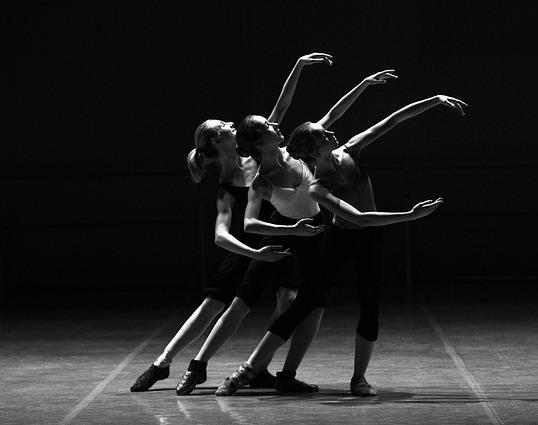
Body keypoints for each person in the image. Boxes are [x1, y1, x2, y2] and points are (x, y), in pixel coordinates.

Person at [216, 90, 467, 397]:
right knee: (305, 302)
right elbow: (358, 218)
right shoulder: (319, 188)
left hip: (370, 239)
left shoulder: (351, 149)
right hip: (341, 239)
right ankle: (247, 370)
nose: (332, 132)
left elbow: (393, 119)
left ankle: (358, 378)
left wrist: (434, 100)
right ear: (315, 149)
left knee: (370, 305)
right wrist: (410, 215)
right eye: (324, 135)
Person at [130, 52, 332, 394]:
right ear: (215, 141)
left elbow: (280, 109)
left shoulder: (256, 157)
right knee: (216, 304)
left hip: (277, 236)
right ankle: (163, 364)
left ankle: (262, 367)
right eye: (224, 126)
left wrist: (297, 66)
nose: (231, 124)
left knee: (288, 297)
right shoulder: (226, 188)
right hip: (248, 245)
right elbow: (222, 236)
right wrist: (254, 252)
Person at [213, 69, 400, 395]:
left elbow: (330, 113)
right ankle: (241, 369)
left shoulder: (295, 151)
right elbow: (249, 225)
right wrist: (292, 230)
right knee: (267, 301)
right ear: (259, 142)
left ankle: (287, 374)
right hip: (292, 237)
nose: (276, 125)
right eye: (269, 127)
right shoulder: (262, 178)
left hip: (318, 234)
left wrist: (361, 84)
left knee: (315, 305)